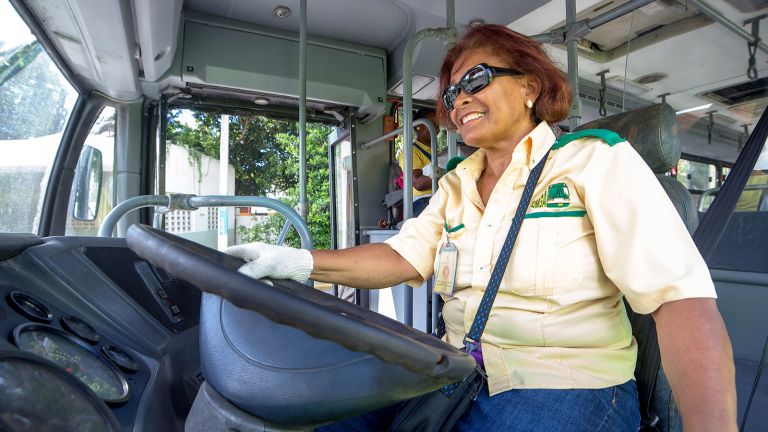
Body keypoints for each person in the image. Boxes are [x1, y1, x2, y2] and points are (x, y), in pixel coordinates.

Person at [226, 24, 737, 431]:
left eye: (476, 81)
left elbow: (680, 302)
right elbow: (405, 256)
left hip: (565, 385)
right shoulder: (455, 185)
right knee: (312, 417)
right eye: (450, 96)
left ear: (530, 87)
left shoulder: (592, 162)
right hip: (456, 371)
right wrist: (296, 263)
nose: (459, 100)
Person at [398, 108, 438, 217]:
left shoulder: (436, 152)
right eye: (432, 125)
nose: (437, 130)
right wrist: (447, 177)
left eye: (438, 126)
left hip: (437, 196)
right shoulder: (411, 150)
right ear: (418, 126)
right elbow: (418, 183)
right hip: (422, 201)